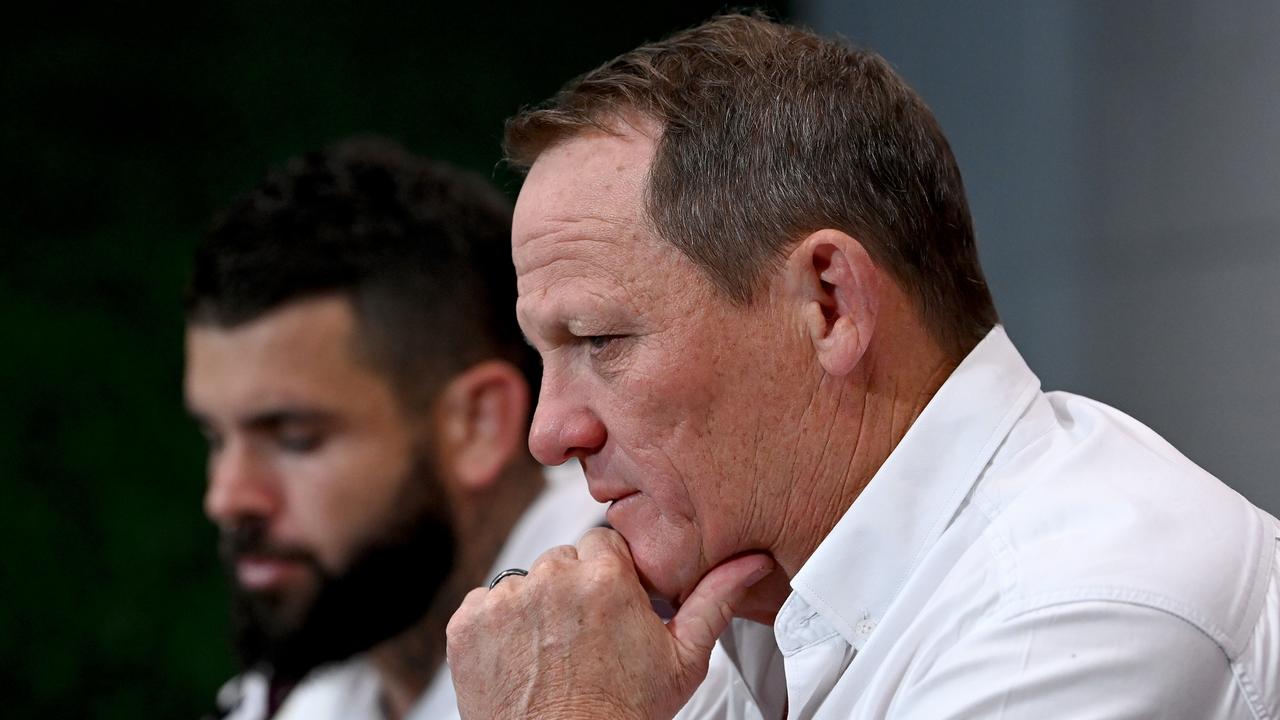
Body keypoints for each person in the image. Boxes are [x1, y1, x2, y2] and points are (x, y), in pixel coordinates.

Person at [444, 14, 1280, 719]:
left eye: (599, 342)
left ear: (830, 304)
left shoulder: (1078, 618)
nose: (550, 434)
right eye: (547, 352)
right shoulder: (741, 599)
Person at [183, 138, 602, 720]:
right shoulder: (295, 692)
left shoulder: (693, 659)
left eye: (295, 438)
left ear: (477, 424)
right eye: (216, 437)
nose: (227, 497)